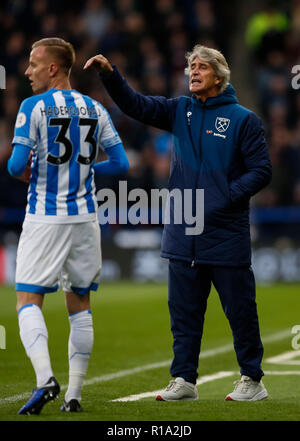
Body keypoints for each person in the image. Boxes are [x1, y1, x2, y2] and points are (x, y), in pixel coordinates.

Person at [84, 44, 272, 402]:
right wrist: (110, 74)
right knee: (184, 314)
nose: (193, 72)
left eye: (201, 67)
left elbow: (262, 171)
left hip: (225, 234)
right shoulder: (179, 110)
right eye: (191, 68)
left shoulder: (243, 119)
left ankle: (252, 379)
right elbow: (136, 105)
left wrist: (223, 198)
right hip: (183, 231)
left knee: (240, 311)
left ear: (219, 75)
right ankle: (184, 379)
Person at [8, 37, 129, 415]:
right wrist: (87, 170)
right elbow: (121, 163)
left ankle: (45, 380)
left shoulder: (33, 107)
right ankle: (74, 396)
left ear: (53, 68)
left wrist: (37, 172)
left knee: (28, 300)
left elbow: (14, 166)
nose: (28, 71)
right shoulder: (95, 108)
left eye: (33, 64)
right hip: (86, 218)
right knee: (80, 304)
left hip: (46, 217)